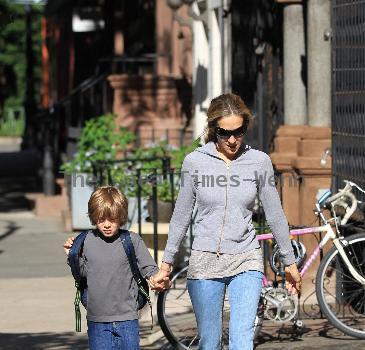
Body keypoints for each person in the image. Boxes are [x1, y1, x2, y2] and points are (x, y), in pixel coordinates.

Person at [158, 93, 302, 350]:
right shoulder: (195, 162)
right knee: (210, 343)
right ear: (214, 129)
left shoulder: (259, 161)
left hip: (246, 259)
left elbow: (275, 213)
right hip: (205, 262)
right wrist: (167, 263)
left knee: (241, 341)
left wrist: (289, 262)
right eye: (225, 133)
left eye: (239, 131)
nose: (233, 139)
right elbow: (181, 214)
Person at [63, 186, 169, 350]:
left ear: (121, 217)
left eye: (112, 219)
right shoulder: (85, 240)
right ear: (93, 217)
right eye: (100, 219)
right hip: (97, 319)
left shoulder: (131, 240)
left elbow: (148, 268)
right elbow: (82, 274)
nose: (106, 225)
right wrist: (72, 256)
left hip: (127, 317)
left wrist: (156, 278)